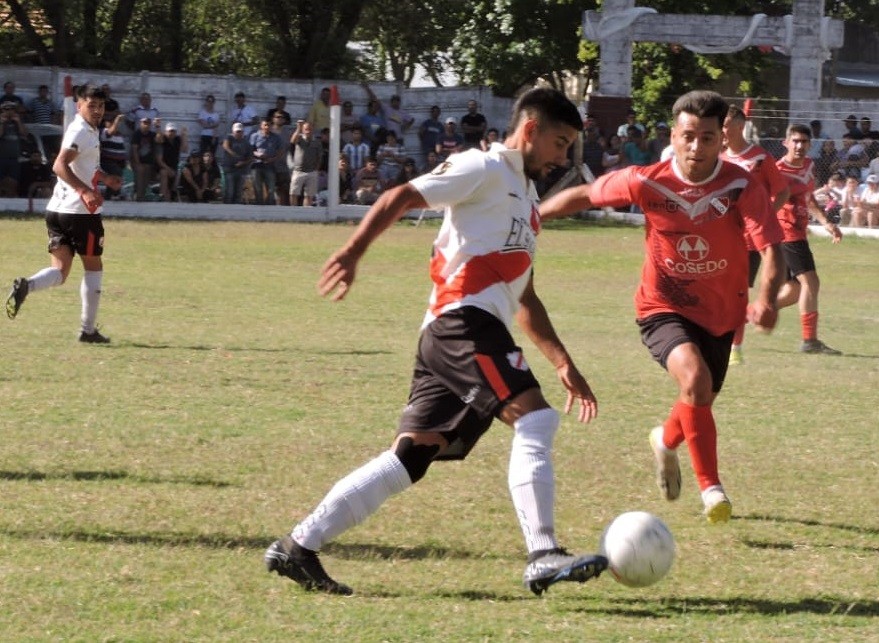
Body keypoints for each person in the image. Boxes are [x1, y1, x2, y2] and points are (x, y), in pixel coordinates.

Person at [264, 87, 604, 597]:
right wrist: (354, 251)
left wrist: (562, 361)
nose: (563, 158)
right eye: (560, 143)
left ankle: (298, 545)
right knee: (536, 418)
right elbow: (400, 195)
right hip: (461, 324)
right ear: (530, 130)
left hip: (458, 332)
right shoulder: (483, 168)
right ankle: (543, 552)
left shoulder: (528, 199)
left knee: (411, 457)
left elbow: (524, 294)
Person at [539, 90, 785, 524]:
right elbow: (586, 195)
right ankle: (712, 488)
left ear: (721, 140)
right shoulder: (645, 180)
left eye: (707, 138)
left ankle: (665, 440)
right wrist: (532, 218)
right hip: (661, 307)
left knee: (699, 394)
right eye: (688, 136)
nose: (696, 147)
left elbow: (771, 249)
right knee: (695, 378)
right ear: (674, 134)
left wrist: (767, 298)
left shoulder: (740, 185)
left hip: (721, 313)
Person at [5, 84, 122, 343]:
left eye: (100, 106)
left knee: (59, 271)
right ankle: (87, 330)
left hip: (57, 210)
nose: (97, 111)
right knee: (94, 267)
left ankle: (27, 285)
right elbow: (59, 165)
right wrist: (84, 191)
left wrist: (104, 178)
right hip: (80, 213)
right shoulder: (81, 129)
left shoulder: (88, 130)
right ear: (79, 106)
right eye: (91, 105)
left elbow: (84, 165)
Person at [720, 104, 790, 365]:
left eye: (725, 124)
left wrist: (764, 216)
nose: (722, 130)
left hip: (750, 242)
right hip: (721, 237)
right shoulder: (719, 158)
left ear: (740, 126)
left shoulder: (760, 158)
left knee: (737, 293)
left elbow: (782, 191)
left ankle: (734, 348)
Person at [775, 123, 844, 355]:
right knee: (811, 283)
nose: (799, 145)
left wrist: (826, 223)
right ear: (786, 143)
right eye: (794, 141)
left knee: (793, 291)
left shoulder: (808, 166)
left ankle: (751, 314)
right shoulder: (777, 170)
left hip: (796, 234)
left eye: (803, 142)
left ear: (809, 145)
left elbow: (809, 197)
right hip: (786, 234)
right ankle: (810, 341)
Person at [289, 120, 322, 207]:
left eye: (310, 129)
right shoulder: (299, 138)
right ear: (303, 130)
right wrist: (298, 128)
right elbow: (292, 141)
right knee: (294, 193)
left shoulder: (317, 142)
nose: (308, 131)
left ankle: (306, 213)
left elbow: (319, 156)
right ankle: (293, 212)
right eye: (306, 129)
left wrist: (316, 169)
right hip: (298, 170)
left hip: (311, 171)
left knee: (309, 195)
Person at [249, 117, 282, 205]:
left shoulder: (276, 137)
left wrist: (272, 159)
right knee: (258, 188)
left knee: (271, 188)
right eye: (265, 125)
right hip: (257, 164)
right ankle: (259, 206)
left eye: (269, 125)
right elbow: (250, 150)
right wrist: (257, 154)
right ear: (261, 126)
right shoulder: (254, 136)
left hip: (270, 164)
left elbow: (280, 152)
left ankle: (269, 206)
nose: (267, 127)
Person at [0, 99, 28, 196]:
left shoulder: (17, 122)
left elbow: (24, 134)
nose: (9, 111)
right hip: (1, 157)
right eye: (6, 109)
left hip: (14, 158)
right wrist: (2, 123)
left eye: (12, 109)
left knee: (13, 182)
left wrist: (18, 121)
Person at [220, 122, 253, 204]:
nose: (239, 133)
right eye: (237, 131)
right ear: (233, 131)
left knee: (238, 191)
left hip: (241, 170)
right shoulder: (229, 137)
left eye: (240, 131)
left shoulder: (246, 143)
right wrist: (233, 154)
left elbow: (250, 157)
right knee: (230, 190)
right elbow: (225, 145)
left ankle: (236, 208)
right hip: (229, 168)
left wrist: (243, 162)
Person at [155, 122, 188, 201]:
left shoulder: (177, 140)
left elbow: (185, 149)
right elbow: (159, 160)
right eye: (169, 131)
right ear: (166, 131)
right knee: (164, 172)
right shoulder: (162, 142)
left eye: (173, 131)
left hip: (173, 168)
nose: (171, 133)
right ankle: (162, 195)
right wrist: (169, 169)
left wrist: (184, 135)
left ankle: (167, 199)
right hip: (161, 168)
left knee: (170, 189)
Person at [99, 112, 128, 200]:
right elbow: (111, 131)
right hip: (107, 161)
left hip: (118, 162)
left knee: (117, 175)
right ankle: (113, 194)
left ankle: (111, 195)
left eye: (112, 121)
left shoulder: (119, 134)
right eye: (109, 122)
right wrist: (117, 120)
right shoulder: (104, 131)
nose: (111, 123)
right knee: (116, 173)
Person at [129, 116, 159, 201]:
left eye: (148, 123)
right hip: (137, 161)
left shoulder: (152, 134)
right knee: (141, 170)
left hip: (148, 162)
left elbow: (160, 139)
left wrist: (157, 127)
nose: (146, 125)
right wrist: (138, 163)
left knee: (147, 174)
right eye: (144, 123)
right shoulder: (137, 134)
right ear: (141, 123)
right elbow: (134, 150)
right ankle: (138, 196)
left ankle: (142, 195)